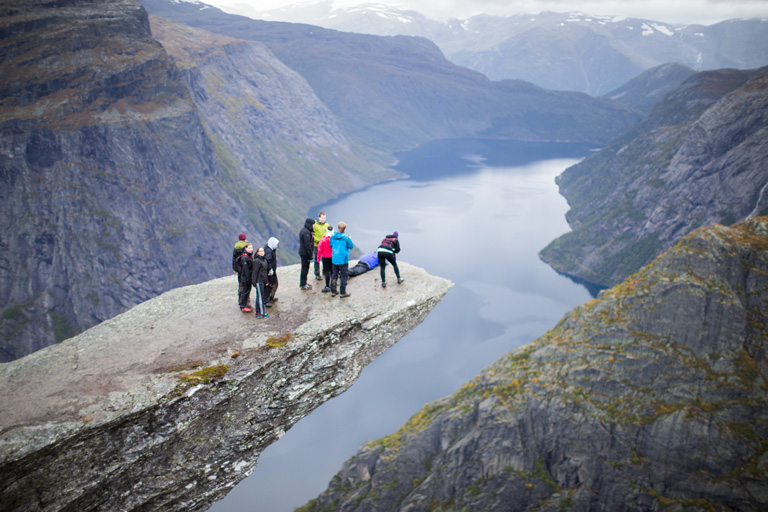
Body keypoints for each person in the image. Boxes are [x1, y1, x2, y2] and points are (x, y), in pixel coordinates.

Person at [330, 221, 354, 298]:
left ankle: (333, 291)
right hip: (343, 260)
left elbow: (331, 245)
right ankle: (342, 292)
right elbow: (351, 246)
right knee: (344, 276)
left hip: (334, 259)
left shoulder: (332, 236)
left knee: (334, 274)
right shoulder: (346, 238)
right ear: (345, 229)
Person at [251, 246, 269, 319]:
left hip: (262, 281)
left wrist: (266, 281)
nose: (262, 252)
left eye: (263, 251)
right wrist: (254, 282)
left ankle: (257, 312)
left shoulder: (263, 260)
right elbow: (254, 272)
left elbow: (264, 272)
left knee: (259, 297)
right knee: (261, 297)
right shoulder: (257, 261)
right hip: (259, 281)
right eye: (260, 251)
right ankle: (261, 313)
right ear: (257, 253)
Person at [298, 218, 315, 290]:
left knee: (305, 268)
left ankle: (304, 282)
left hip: (304, 253)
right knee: (305, 268)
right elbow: (307, 245)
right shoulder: (306, 232)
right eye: (313, 224)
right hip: (305, 253)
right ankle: (303, 284)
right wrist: (310, 255)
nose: (314, 226)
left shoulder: (305, 231)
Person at [312, 212, 330, 281]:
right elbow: (312, 234)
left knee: (325, 259)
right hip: (317, 245)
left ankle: (325, 271)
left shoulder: (327, 225)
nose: (323, 219)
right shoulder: (315, 225)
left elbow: (328, 234)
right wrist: (319, 241)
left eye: (324, 218)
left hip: (325, 245)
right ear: (319, 217)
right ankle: (317, 274)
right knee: (317, 260)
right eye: (322, 218)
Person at [236, 243, 254, 312]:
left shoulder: (249, 256)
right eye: (249, 248)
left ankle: (245, 304)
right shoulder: (245, 257)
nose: (251, 249)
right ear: (246, 248)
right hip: (245, 278)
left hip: (247, 277)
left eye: (251, 248)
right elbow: (245, 269)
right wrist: (248, 278)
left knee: (247, 290)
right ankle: (243, 306)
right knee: (244, 291)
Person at [233, 233, 249, 306]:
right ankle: (245, 300)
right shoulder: (246, 246)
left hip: (239, 268)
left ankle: (240, 299)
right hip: (245, 268)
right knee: (246, 285)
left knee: (241, 284)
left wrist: (235, 268)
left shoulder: (236, 247)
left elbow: (233, 259)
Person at [316, 225, 334, 292]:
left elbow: (319, 249)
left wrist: (318, 258)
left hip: (325, 257)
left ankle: (327, 286)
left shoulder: (323, 240)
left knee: (326, 272)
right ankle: (333, 285)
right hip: (333, 257)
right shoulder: (334, 239)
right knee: (332, 271)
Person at [264, 237, 279, 307]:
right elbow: (268, 261)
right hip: (270, 272)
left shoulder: (270, 249)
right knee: (271, 285)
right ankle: (267, 300)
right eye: (276, 244)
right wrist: (270, 269)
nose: (277, 246)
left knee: (273, 284)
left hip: (271, 271)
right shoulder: (269, 251)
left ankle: (270, 298)